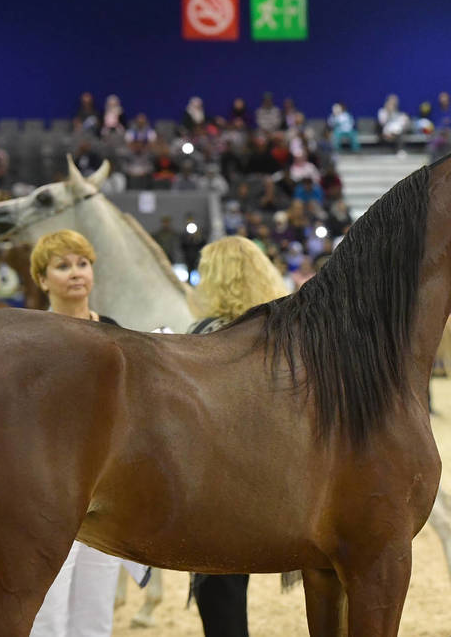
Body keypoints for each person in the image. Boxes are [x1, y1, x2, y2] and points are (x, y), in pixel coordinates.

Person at [187, 236, 289, 636]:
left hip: (220, 488)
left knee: (220, 599)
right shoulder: (287, 332)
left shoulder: (203, 336)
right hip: (283, 477)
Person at [27, 229, 124, 636]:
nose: (75, 273)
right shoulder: (28, 337)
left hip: (106, 488)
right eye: (62, 266)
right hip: (42, 487)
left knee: (97, 607)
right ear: (42, 279)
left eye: (82, 263)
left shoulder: (116, 332)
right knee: (44, 607)